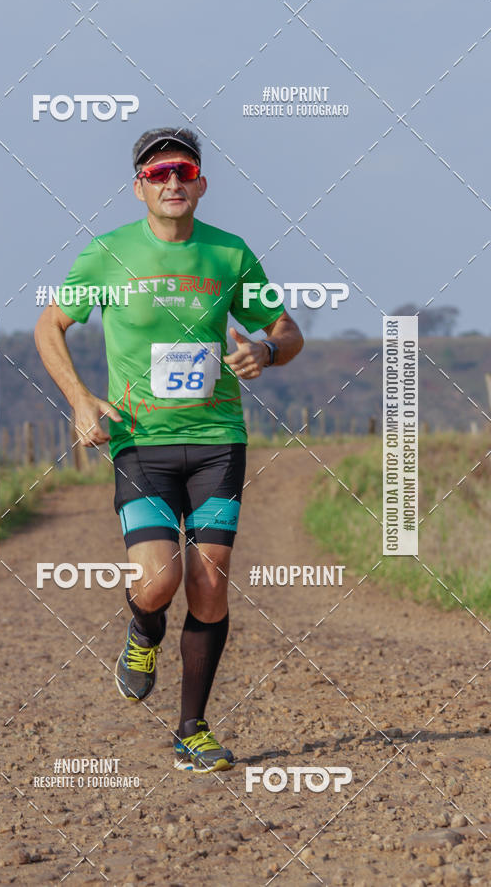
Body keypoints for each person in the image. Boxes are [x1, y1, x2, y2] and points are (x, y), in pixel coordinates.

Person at [34, 127, 304, 773]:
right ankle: (143, 631)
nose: (173, 182)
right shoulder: (107, 255)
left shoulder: (229, 256)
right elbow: (49, 326)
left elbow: (287, 331)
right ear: (140, 189)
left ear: (202, 184)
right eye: (159, 174)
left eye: (184, 171)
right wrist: (78, 399)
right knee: (159, 581)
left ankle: (192, 730)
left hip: (217, 443)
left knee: (209, 586)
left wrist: (265, 350)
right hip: (139, 441)